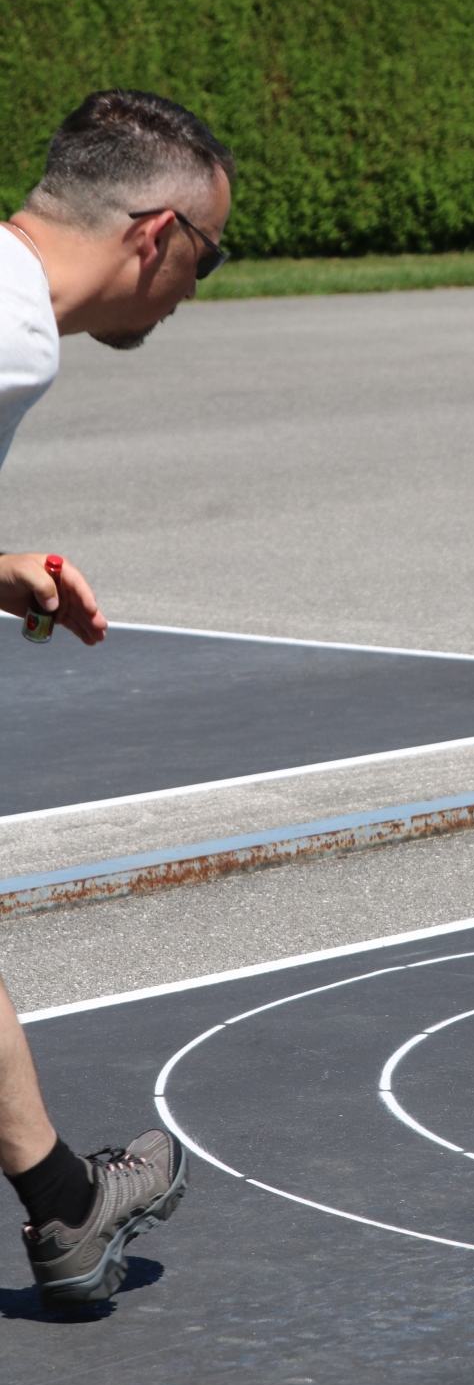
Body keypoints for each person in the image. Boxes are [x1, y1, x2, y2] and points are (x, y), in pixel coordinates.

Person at [0, 89, 234, 1306]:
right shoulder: (17, 331)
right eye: (209, 255)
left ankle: (65, 1207)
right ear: (154, 235)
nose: (198, 289)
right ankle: (67, 1208)